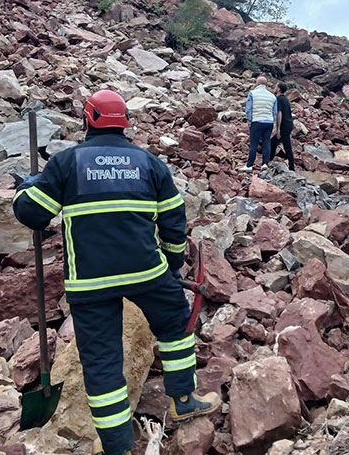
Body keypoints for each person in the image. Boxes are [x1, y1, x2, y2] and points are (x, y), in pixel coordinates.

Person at [13, 90, 220, 455]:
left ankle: (119, 446)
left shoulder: (67, 164)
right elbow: (174, 222)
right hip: (147, 273)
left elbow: (32, 214)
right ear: (125, 122)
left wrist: (26, 188)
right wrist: (172, 266)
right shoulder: (149, 163)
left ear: (87, 120)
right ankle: (183, 400)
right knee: (175, 326)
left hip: (90, 283)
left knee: (102, 361)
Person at [239, 75, 277, 172]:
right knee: (266, 142)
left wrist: (249, 121)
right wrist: (272, 120)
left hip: (256, 121)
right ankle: (265, 164)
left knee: (254, 143)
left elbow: (248, 109)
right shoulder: (272, 96)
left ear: (257, 83)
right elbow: (274, 111)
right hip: (269, 122)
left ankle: (249, 165)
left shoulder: (252, 93)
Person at [269, 81, 295, 171]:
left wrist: (278, 129)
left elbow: (279, 113)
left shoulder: (279, 99)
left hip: (284, 125)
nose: (274, 87)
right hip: (289, 124)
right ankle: (270, 159)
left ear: (279, 88)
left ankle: (292, 167)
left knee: (286, 145)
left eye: (276, 86)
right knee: (273, 141)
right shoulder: (285, 98)